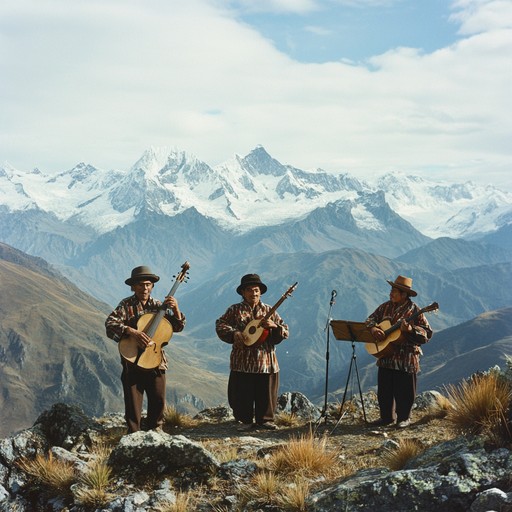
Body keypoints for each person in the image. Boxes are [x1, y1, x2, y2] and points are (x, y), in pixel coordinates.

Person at [105, 265, 185, 433]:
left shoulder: (158, 306)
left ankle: (156, 428)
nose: (144, 288)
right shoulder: (126, 305)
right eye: (140, 284)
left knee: (158, 396)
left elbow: (177, 327)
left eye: (148, 284)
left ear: (152, 286)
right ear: (133, 287)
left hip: (155, 358)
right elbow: (110, 324)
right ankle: (133, 432)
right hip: (132, 357)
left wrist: (176, 308)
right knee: (133, 398)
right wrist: (131, 331)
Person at [215, 274, 289, 431]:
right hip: (243, 361)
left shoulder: (270, 310)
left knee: (266, 393)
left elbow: (285, 330)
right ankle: (244, 420)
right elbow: (220, 324)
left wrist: (274, 326)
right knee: (243, 393)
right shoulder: (235, 310)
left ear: (260, 292)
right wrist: (234, 333)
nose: (253, 293)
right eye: (249, 290)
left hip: (265, 361)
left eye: (256, 290)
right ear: (243, 292)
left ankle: (265, 420)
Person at [365, 275, 433, 428]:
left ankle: (404, 418)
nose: (391, 294)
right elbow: (370, 319)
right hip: (386, 356)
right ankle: (386, 418)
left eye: (394, 291)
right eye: (391, 290)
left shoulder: (415, 310)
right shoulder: (385, 307)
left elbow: (427, 333)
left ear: (404, 294)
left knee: (405, 391)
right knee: (384, 390)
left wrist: (411, 329)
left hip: (406, 358)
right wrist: (374, 328)